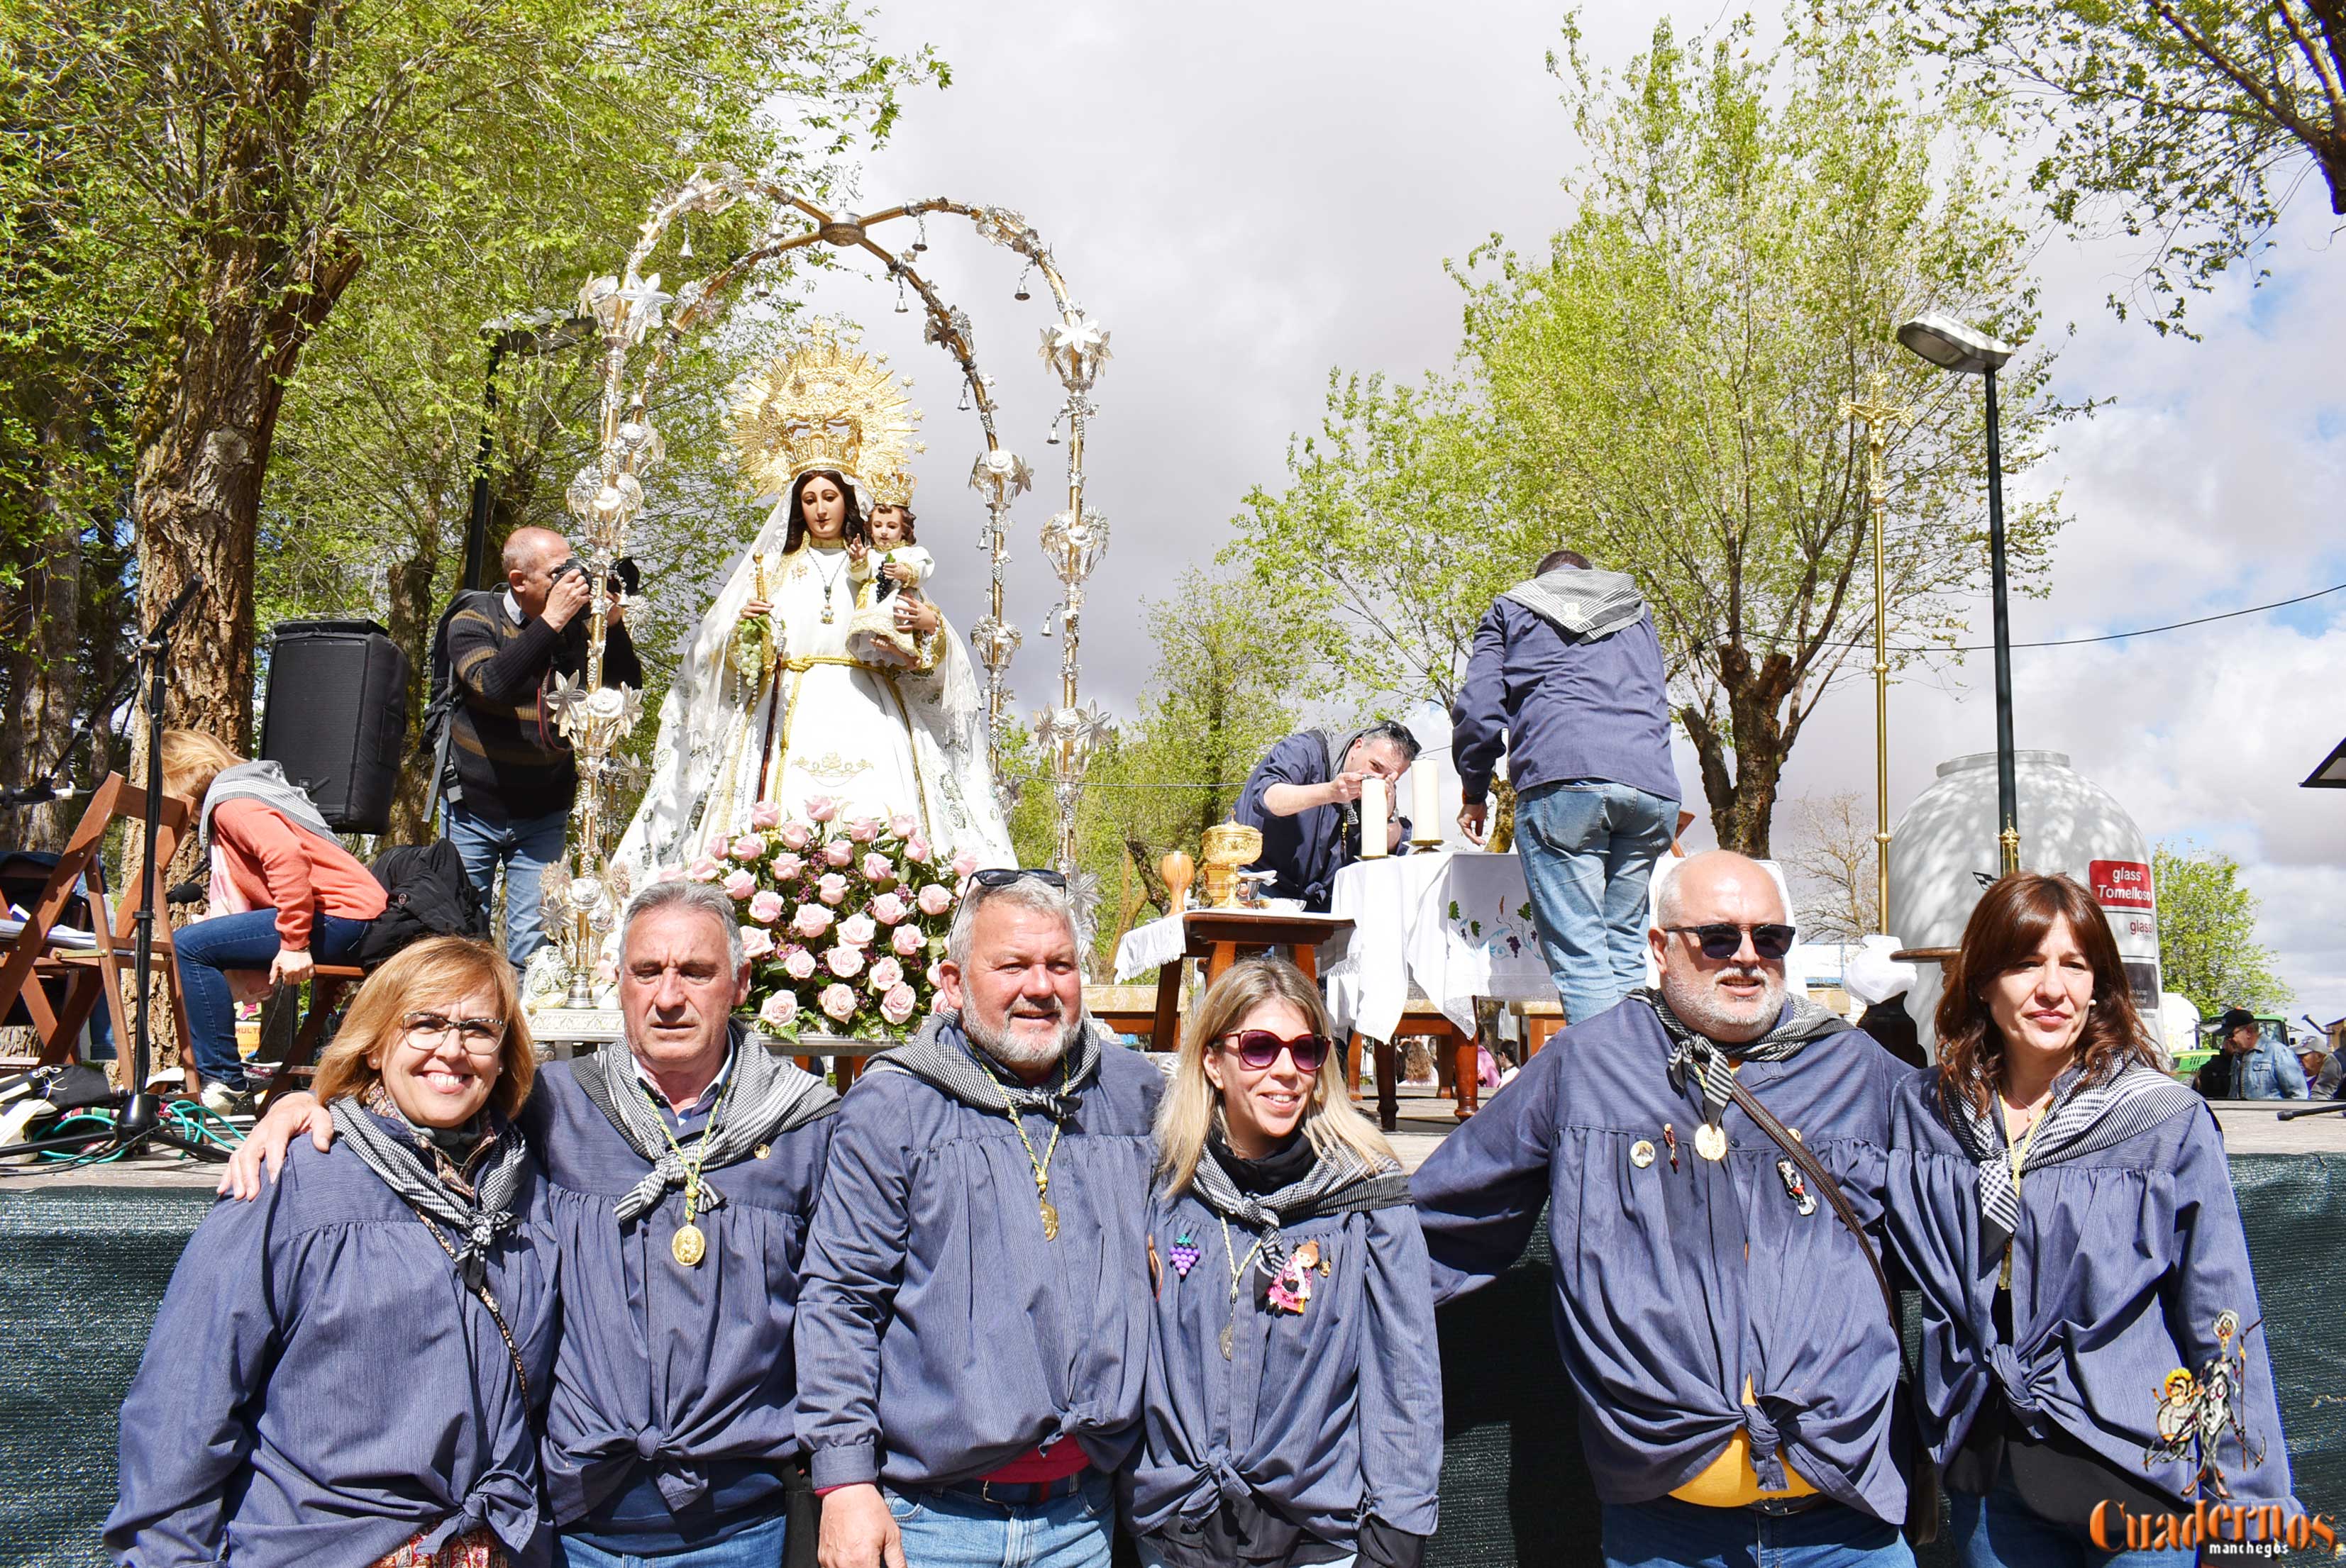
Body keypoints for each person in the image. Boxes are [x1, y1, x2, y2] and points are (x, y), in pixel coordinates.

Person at [224, 879, 843, 1566]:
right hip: (570, 1532)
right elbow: (425, 1107)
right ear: (617, 981)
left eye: (695, 972)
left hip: (738, 1532)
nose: (668, 997)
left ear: (740, 982)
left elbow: (841, 1311)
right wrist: (312, 1107)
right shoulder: (551, 1107)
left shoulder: (806, 1127)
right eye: (647, 972)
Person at [1411, 850, 1915, 1567]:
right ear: (1659, 948)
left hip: (1847, 1529)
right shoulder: (1587, 1067)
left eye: (1769, 938)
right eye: (1717, 937)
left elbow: (1968, 1196)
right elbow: (1445, 1219)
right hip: (1668, 1537)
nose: (1745, 958)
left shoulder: (1859, 1071)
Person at [1884, 874, 2295, 1564]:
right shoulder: (1925, 1114)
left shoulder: (2162, 1120)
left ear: (2100, 985)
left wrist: (2247, 1506)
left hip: (2137, 1478)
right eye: (2024, 963)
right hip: (1992, 1479)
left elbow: (2220, 1314)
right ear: (1981, 980)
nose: (2053, 989)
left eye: (2074, 965)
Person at [109, 937, 555, 1568]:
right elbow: (186, 1404)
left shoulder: (527, 1184)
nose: (452, 1049)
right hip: (326, 1547)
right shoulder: (293, 1178)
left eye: (478, 1028)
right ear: (374, 1043)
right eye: (423, 1022)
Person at [797, 870, 1163, 1568]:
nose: (1040, 986)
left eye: (1060, 965)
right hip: (933, 1521)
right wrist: (844, 1482)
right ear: (955, 983)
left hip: (1084, 1516)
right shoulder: (895, 1107)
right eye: (1012, 966)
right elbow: (840, 1301)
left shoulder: (1132, 1095)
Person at [616, 334, 1014, 881]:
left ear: (848, 501)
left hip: (871, 709)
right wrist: (746, 634)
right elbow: (719, 658)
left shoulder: (883, 566)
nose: (821, 508)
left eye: (830, 497)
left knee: (880, 827)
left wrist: (929, 628)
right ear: (797, 508)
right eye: (809, 499)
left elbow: (923, 647)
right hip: (786, 711)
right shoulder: (771, 571)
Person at [1125, 956, 1441, 1568]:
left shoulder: (1365, 1199)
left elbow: (1406, 1382)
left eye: (1305, 1050)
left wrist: (1395, 1540)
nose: (1285, 1071)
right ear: (1212, 1062)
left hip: (1313, 1540)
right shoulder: (1163, 1188)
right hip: (1174, 1535)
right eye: (1260, 1048)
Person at [1452, 547, 1681, 1026]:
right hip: (1650, 787)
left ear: (1540, 581)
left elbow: (1477, 710)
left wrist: (1474, 790)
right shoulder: (1635, 610)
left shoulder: (1511, 608)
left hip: (1564, 781)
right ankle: (1640, 1082)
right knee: (1622, 950)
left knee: (1581, 956)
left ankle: (1609, 1093)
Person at [442, 524, 643, 969]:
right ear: (520, 581)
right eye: (558, 573)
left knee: (533, 943)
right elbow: (490, 684)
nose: (572, 580)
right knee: (459, 934)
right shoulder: (474, 618)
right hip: (474, 807)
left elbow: (625, 690)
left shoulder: (576, 630)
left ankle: (525, 1038)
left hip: (543, 811)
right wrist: (551, 622)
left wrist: (612, 627)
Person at [160, 728, 387, 1113]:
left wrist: (294, 943)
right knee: (202, 941)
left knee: (190, 946)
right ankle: (225, 1080)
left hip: (342, 916)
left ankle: (224, 1084)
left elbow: (286, 858)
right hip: (356, 917)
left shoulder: (232, 802)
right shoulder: (253, 790)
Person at [1234, 722, 1417, 911]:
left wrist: (1386, 817)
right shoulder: (1303, 750)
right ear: (1357, 747)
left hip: (1319, 901)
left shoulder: (1381, 788)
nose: (1378, 779)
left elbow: (1393, 850)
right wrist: (1330, 792)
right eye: (1375, 766)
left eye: (1391, 777)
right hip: (1257, 883)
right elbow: (1268, 799)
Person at [846, 501, 934, 669]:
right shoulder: (870, 554)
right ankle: (880, 655)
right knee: (874, 637)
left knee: (896, 615)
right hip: (873, 601)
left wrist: (905, 572)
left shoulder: (911, 552)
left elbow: (924, 569)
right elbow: (859, 577)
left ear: (904, 529)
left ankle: (905, 655)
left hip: (897, 599)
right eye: (878, 526)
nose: (884, 532)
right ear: (870, 528)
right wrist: (858, 560)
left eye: (892, 526)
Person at [2191, 1008, 2307, 1100]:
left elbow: (2299, 1096)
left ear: (2249, 1031)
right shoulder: (2237, 1056)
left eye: (2231, 1035)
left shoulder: (2278, 1052)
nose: (2228, 1040)